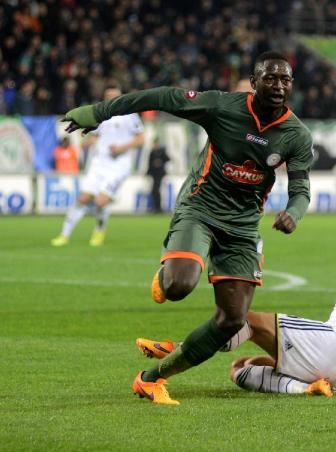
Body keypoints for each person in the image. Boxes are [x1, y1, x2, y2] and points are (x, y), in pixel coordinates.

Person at [62, 51, 313, 405]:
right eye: (270, 78)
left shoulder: (296, 135)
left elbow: (301, 188)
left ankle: (151, 379)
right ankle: (168, 273)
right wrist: (100, 112)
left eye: (285, 79)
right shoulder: (222, 106)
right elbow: (163, 97)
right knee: (179, 286)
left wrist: (294, 212)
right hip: (201, 208)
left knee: (232, 319)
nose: (278, 85)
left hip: (243, 228)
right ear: (254, 82)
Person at [136, 209, 336, 398]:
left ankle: (179, 349)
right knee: (242, 368)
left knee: (244, 318)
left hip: (334, 349)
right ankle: (308, 388)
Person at [51, 85, 145, 247]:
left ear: (120, 97)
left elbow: (141, 139)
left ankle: (99, 230)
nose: (111, 99)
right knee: (82, 198)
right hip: (99, 163)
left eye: (114, 96)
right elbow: (97, 136)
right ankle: (64, 235)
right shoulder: (100, 115)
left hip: (119, 165)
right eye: (108, 96)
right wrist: (87, 142)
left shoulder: (130, 115)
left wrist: (122, 148)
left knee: (101, 201)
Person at [146, 137, 170, 213]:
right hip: (154, 174)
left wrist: (160, 162)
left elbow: (168, 159)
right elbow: (149, 163)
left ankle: (158, 208)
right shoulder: (152, 152)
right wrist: (147, 172)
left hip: (160, 173)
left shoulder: (162, 151)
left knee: (156, 190)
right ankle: (156, 207)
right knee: (154, 190)